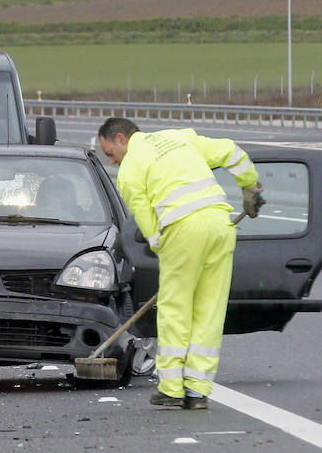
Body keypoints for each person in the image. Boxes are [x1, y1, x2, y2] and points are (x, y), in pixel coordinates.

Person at [97, 117, 264, 410]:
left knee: (176, 309)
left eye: (111, 154)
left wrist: (160, 244)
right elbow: (230, 151)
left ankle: (172, 388)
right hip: (219, 225)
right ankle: (198, 391)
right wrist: (250, 189)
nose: (113, 162)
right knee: (209, 310)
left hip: (183, 230)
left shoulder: (131, 167)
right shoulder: (180, 138)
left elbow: (144, 213)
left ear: (121, 138)